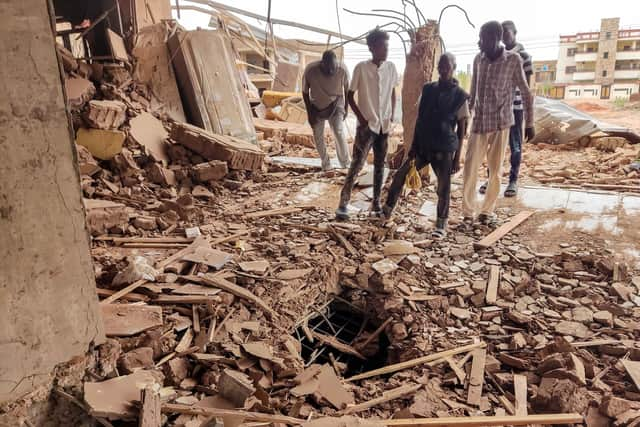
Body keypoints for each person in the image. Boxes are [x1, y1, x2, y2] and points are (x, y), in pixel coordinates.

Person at [382, 53, 469, 238]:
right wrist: (412, 145)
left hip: (444, 149)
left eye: (447, 66)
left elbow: (462, 131)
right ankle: (387, 210)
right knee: (400, 176)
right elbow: (420, 119)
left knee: (443, 188)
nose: (443, 69)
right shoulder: (428, 89)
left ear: (453, 68)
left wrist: (457, 159)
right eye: (441, 66)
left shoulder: (460, 96)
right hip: (422, 147)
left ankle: (441, 224)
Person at [462, 21, 535, 225]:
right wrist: (464, 117)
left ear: (495, 38)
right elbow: (473, 92)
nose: (479, 42)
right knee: (469, 168)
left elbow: (527, 93)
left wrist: (530, 123)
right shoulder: (478, 59)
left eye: (482, 38)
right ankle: (468, 212)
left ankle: (487, 211)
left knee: (495, 169)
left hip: (502, 122)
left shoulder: (513, 60)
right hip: (479, 122)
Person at [335, 28, 399, 220]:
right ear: (372, 47)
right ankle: (343, 203)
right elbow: (350, 95)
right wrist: (361, 118)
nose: (385, 50)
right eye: (382, 46)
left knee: (380, 165)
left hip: (384, 125)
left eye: (387, 46)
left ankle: (376, 202)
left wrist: (392, 113)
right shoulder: (361, 68)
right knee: (357, 163)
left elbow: (394, 92)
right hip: (367, 125)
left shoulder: (391, 68)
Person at [479, 20, 533, 197]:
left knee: (515, 145)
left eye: (507, 34)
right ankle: (491, 179)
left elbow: (527, 88)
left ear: (515, 33)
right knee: (493, 148)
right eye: (502, 35)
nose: (504, 38)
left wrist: (529, 117)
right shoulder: (494, 54)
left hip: (515, 108)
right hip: (497, 109)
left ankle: (513, 180)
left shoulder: (522, 56)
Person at [302, 50, 351, 170]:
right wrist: (309, 113)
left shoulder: (342, 69)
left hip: (336, 104)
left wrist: (346, 108)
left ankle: (345, 164)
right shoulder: (310, 70)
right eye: (327, 69)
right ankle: (326, 164)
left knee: (339, 132)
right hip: (316, 107)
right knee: (318, 136)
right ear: (322, 64)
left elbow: (347, 90)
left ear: (337, 64)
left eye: (333, 69)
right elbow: (304, 92)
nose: (330, 71)